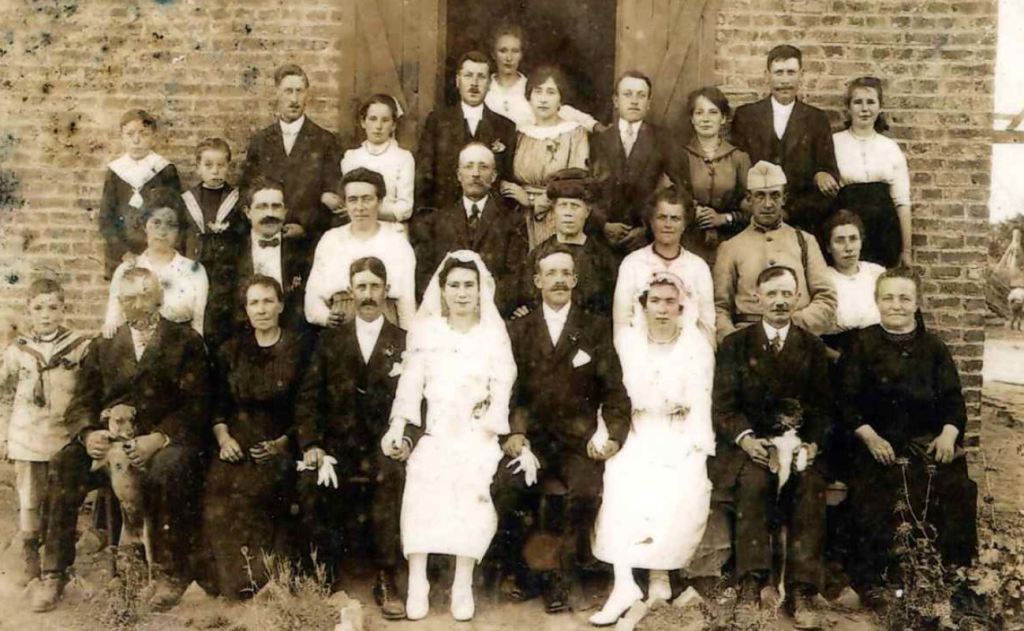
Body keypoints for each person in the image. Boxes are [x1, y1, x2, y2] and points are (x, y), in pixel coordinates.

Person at [31, 267, 210, 613]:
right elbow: (81, 402)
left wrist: (159, 438)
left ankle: (169, 574)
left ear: (159, 297)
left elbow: (198, 403)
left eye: (145, 295)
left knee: (167, 469)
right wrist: (89, 434)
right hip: (109, 440)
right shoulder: (105, 344)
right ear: (120, 302)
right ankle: (53, 572)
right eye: (128, 298)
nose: (137, 305)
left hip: (164, 440)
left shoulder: (186, 341)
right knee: (64, 463)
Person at [382, 251, 517, 622]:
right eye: (454, 285)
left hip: (477, 432)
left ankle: (462, 583)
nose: (462, 293)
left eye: (469, 285)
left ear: (480, 290)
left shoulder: (492, 335)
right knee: (423, 478)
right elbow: (411, 385)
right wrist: (399, 425)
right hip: (436, 431)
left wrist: (487, 420)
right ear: (442, 290)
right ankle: (418, 581)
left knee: (471, 482)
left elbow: (503, 385)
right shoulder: (427, 332)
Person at [839, 268, 977, 606]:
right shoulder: (861, 344)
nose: (896, 305)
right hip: (876, 444)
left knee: (958, 487)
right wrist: (870, 438)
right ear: (877, 301)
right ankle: (876, 583)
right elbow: (844, 402)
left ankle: (953, 578)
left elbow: (953, 400)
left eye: (904, 298)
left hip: (925, 442)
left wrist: (948, 434)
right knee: (874, 491)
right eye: (888, 297)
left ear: (917, 303)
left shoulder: (934, 348)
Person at [504, 242, 631, 613]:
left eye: (565, 273)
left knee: (586, 492)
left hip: (578, 441)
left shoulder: (595, 328)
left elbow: (615, 392)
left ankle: (561, 574)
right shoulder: (518, 330)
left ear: (575, 280)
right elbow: (508, 391)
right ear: (537, 281)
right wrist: (515, 433)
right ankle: (527, 571)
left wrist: (612, 436)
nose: (558, 280)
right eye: (551, 273)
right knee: (507, 488)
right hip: (533, 440)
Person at [590, 272, 714, 626]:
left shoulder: (696, 347)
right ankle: (624, 583)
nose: (662, 309)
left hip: (678, 432)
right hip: (635, 429)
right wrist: (607, 432)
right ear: (642, 305)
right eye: (655, 301)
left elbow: (701, 400)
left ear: (681, 306)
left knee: (677, 484)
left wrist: (697, 445)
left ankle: (660, 576)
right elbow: (611, 394)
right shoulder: (626, 342)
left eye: (669, 301)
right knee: (623, 480)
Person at [712, 265, 833, 629]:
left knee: (810, 485)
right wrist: (747, 439)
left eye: (786, 294)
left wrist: (812, 445)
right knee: (753, 483)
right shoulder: (735, 345)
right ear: (757, 298)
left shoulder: (812, 347)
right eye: (772, 294)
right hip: (753, 446)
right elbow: (724, 407)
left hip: (798, 447)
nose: (779, 301)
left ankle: (801, 590)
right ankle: (750, 584)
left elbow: (824, 408)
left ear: (797, 298)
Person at [295, 257, 411, 618]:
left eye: (375, 286)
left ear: (386, 290)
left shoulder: (404, 341)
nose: (368, 294)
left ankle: (386, 575)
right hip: (338, 444)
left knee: (390, 476)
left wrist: (407, 440)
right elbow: (308, 397)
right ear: (350, 291)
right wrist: (312, 444)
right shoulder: (329, 341)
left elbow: (418, 400)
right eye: (361, 287)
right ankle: (324, 574)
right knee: (311, 479)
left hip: (383, 444)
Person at [199, 276, 312, 599]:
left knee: (265, 488)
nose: (261, 310)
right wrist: (224, 440)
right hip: (237, 441)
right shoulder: (231, 350)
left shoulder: (300, 349)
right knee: (220, 486)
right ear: (246, 309)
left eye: (267, 301)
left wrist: (283, 444)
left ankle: (267, 578)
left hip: (283, 442)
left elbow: (308, 406)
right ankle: (232, 581)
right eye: (254, 303)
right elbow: (218, 406)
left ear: (281, 306)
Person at [0, 280, 89, 586]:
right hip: (26, 433)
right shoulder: (18, 350)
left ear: (64, 309)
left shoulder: (78, 346)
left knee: (59, 497)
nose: (46, 315)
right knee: (30, 496)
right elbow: (4, 392)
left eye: (53, 307)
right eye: (38, 308)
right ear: (29, 311)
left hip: (62, 434)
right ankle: (30, 555)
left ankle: (56, 558)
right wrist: (4, 432)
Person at [713, 161, 836, 343]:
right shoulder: (730, 247)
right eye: (760, 196)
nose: (768, 204)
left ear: (784, 199)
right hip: (749, 342)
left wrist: (792, 327)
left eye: (775, 195)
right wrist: (735, 342)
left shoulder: (804, 241)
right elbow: (720, 307)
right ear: (749, 198)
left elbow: (826, 298)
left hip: (798, 338)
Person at [730, 45, 840, 236]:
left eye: (791, 72)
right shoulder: (746, 116)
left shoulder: (817, 119)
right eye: (779, 73)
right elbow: (735, 172)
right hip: (753, 221)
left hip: (801, 223)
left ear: (801, 75)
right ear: (767, 76)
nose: (785, 80)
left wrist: (821, 175)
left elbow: (829, 176)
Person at [413, 142, 528, 315]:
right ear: (459, 175)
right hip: (448, 315)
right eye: (469, 166)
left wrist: (484, 308)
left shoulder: (511, 221)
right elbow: (425, 275)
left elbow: (516, 276)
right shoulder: (437, 221)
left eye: (483, 167)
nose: (475, 174)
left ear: (494, 176)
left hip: (495, 314)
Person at [239, 63, 342, 254]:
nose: (294, 99)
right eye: (288, 91)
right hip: (267, 238)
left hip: (309, 243)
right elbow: (247, 191)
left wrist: (305, 225)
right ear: (277, 94)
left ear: (307, 95)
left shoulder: (326, 141)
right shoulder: (260, 141)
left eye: (299, 91)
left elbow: (333, 197)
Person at [304, 168, 417, 329]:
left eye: (367, 199)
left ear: (380, 202)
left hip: (385, 321)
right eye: (353, 200)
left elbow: (407, 302)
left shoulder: (397, 243)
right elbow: (313, 295)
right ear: (345, 203)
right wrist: (325, 317)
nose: (360, 207)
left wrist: (407, 336)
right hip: (341, 321)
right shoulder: (331, 240)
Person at [591, 71, 683, 255]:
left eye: (641, 95)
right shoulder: (599, 141)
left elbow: (679, 190)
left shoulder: (663, 140)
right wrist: (603, 225)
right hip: (604, 240)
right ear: (616, 101)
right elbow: (589, 189)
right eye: (627, 94)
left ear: (648, 103)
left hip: (648, 240)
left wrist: (648, 229)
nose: (634, 101)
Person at [500, 65, 590, 249]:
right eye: (538, 92)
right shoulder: (521, 134)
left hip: (558, 216)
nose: (543, 99)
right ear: (529, 97)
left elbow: (577, 180)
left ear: (560, 99)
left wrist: (534, 201)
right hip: (521, 218)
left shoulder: (574, 133)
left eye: (551, 92)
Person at [415, 51, 517, 212]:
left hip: (490, 219)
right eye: (468, 75)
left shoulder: (505, 127)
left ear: (490, 83)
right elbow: (424, 176)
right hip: (444, 216)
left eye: (481, 77)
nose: (474, 83)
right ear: (458, 80)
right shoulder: (437, 122)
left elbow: (507, 181)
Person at [612, 186, 716, 344]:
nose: (668, 224)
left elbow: (706, 325)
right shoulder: (632, 264)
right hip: (641, 352)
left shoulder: (698, 267)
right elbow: (622, 324)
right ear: (651, 221)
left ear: (685, 224)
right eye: (661, 217)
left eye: (675, 218)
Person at [103, 191, 209, 338]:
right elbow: (113, 322)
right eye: (156, 223)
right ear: (144, 226)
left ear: (179, 231)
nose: (163, 232)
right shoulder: (126, 269)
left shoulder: (194, 271)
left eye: (171, 225)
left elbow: (198, 326)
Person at [832, 76, 912, 268]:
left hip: (883, 230)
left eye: (870, 102)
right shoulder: (834, 143)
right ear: (848, 107)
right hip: (847, 228)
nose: (864, 109)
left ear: (880, 107)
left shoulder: (890, 148)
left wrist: (906, 250)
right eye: (858, 102)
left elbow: (902, 202)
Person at [515, 168, 618, 317]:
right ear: (553, 211)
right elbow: (526, 300)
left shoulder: (602, 257)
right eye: (563, 205)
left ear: (587, 212)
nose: (568, 213)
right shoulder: (539, 255)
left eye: (575, 206)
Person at [180, 137, 247, 349]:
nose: (215, 171)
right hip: (195, 269)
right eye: (208, 165)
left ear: (228, 166)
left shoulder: (237, 199)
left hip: (227, 273)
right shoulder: (187, 199)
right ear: (198, 167)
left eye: (221, 165)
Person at [99, 109, 182, 278]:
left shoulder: (164, 169)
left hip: (157, 251)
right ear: (122, 137)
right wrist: (123, 252)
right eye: (130, 134)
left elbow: (175, 216)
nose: (136, 140)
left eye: (143, 134)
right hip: (122, 253)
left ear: (153, 137)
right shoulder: (116, 171)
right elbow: (106, 218)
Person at [680, 86, 752, 264]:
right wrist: (694, 211)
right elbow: (669, 196)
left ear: (723, 118)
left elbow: (752, 206)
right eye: (699, 113)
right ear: (692, 118)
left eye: (713, 112)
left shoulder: (739, 158)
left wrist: (724, 218)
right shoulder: (680, 156)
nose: (705, 119)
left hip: (730, 241)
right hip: (688, 241)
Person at [484, 23, 598, 132]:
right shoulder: (483, 87)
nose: (509, 58)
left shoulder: (531, 88)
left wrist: (593, 125)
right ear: (493, 54)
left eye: (515, 51)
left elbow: (561, 110)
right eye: (503, 51)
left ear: (521, 55)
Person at [235, 177, 310, 331]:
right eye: (262, 207)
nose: (270, 213)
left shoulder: (302, 250)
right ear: (248, 212)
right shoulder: (231, 251)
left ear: (285, 211)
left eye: (276, 207)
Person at [341, 94, 416, 233]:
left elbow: (405, 208)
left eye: (385, 120)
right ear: (363, 122)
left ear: (393, 125)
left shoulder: (403, 158)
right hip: (356, 228)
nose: (378, 126)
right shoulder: (351, 157)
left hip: (391, 229)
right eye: (373, 119)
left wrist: (366, 211)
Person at [821, 210, 885, 355]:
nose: (848, 248)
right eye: (839, 240)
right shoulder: (823, 278)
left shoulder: (877, 273)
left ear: (861, 242)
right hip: (839, 353)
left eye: (853, 239)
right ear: (829, 247)